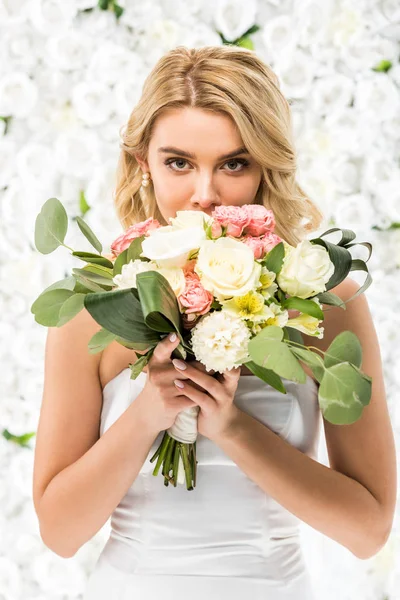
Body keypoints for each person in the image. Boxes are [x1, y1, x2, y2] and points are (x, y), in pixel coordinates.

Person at [32, 45, 396, 600]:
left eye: (234, 163)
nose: (205, 194)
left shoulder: (327, 301)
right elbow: (59, 533)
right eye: (179, 162)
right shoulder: (91, 308)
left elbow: (368, 531)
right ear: (142, 164)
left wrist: (233, 428)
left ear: (265, 166)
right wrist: (148, 413)